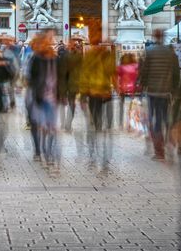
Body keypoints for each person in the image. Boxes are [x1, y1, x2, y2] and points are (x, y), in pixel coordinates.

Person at [137, 28, 181, 160]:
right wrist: (174, 89)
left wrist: (142, 85)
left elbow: (144, 71)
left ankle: (159, 151)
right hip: (166, 91)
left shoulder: (149, 52)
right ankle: (169, 141)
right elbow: (176, 73)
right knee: (165, 117)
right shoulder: (170, 53)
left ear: (154, 37)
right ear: (163, 37)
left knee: (154, 119)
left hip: (152, 91)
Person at [27, 29, 60, 166]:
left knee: (50, 126)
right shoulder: (35, 58)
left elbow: (61, 76)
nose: (50, 42)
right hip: (39, 95)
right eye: (48, 39)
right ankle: (39, 150)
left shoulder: (55, 58)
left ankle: (48, 152)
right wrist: (36, 91)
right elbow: (31, 78)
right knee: (40, 125)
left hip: (52, 96)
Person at [81, 41, 117, 169]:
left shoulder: (107, 56)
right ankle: (94, 151)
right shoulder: (91, 57)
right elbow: (84, 75)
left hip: (104, 94)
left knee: (103, 125)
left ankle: (100, 152)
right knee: (95, 125)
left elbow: (112, 73)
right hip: (95, 94)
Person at [57, 38, 84, 132]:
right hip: (69, 83)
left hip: (69, 83)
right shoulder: (77, 56)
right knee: (68, 103)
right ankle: (66, 124)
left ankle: (65, 124)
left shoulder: (66, 56)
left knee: (66, 103)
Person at [115, 51, 139, 127]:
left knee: (121, 105)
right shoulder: (136, 66)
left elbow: (115, 76)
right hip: (135, 88)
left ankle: (120, 122)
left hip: (123, 88)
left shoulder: (120, 67)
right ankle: (132, 122)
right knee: (133, 106)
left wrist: (117, 87)